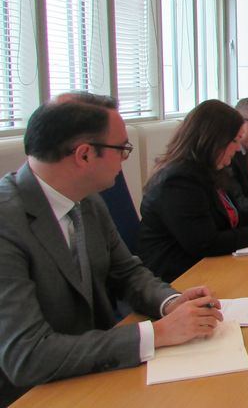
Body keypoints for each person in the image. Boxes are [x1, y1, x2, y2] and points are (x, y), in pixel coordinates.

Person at [0, 95, 222, 405]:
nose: (125, 159)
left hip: (99, 369)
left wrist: (171, 302)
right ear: (84, 154)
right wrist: (157, 334)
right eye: (122, 149)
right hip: (38, 393)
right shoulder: (7, 221)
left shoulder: (87, 199)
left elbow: (127, 271)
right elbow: (28, 356)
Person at [138, 100, 248, 282]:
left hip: (209, 267)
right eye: (234, 140)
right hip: (178, 277)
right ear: (213, 140)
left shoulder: (210, 170)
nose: (237, 148)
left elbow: (233, 212)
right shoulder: (179, 180)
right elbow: (205, 242)